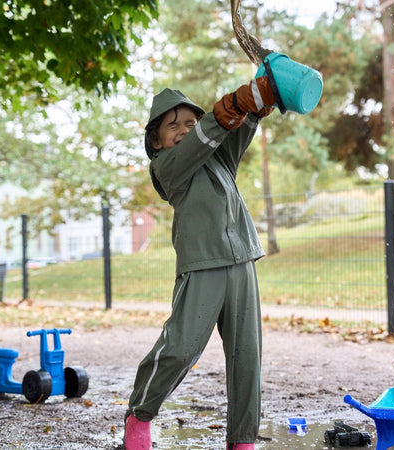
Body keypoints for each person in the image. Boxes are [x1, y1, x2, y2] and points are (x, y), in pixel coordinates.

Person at [124, 76, 277, 450]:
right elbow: (206, 136)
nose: (183, 130)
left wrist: (256, 101)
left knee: (247, 359)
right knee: (181, 348)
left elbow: (234, 131)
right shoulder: (167, 167)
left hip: (242, 259)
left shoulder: (218, 156)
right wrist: (217, 116)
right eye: (172, 125)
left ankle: (242, 439)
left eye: (190, 122)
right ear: (156, 141)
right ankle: (139, 414)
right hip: (202, 263)